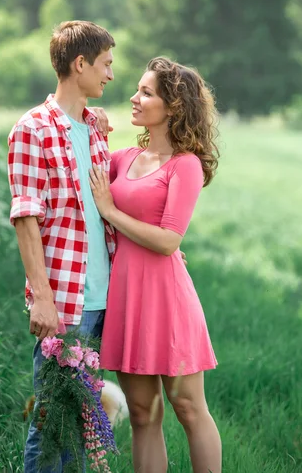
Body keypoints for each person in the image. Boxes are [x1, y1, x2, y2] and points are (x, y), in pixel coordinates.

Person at [89, 56, 222, 473]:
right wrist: (88, 121)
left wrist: (111, 211)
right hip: (127, 297)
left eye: (146, 92)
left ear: (173, 106)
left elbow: (168, 241)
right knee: (143, 414)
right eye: (137, 89)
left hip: (168, 299)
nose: (134, 97)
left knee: (187, 407)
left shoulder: (186, 165)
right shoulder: (122, 158)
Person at [7, 20, 116, 473]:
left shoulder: (94, 129)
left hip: (104, 300)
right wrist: (43, 298)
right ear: (80, 63)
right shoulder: (32, 129)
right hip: (65, 303)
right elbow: (26, 218)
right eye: (106, 64)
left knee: (82, 421)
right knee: (52, 422)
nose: (111, 74)